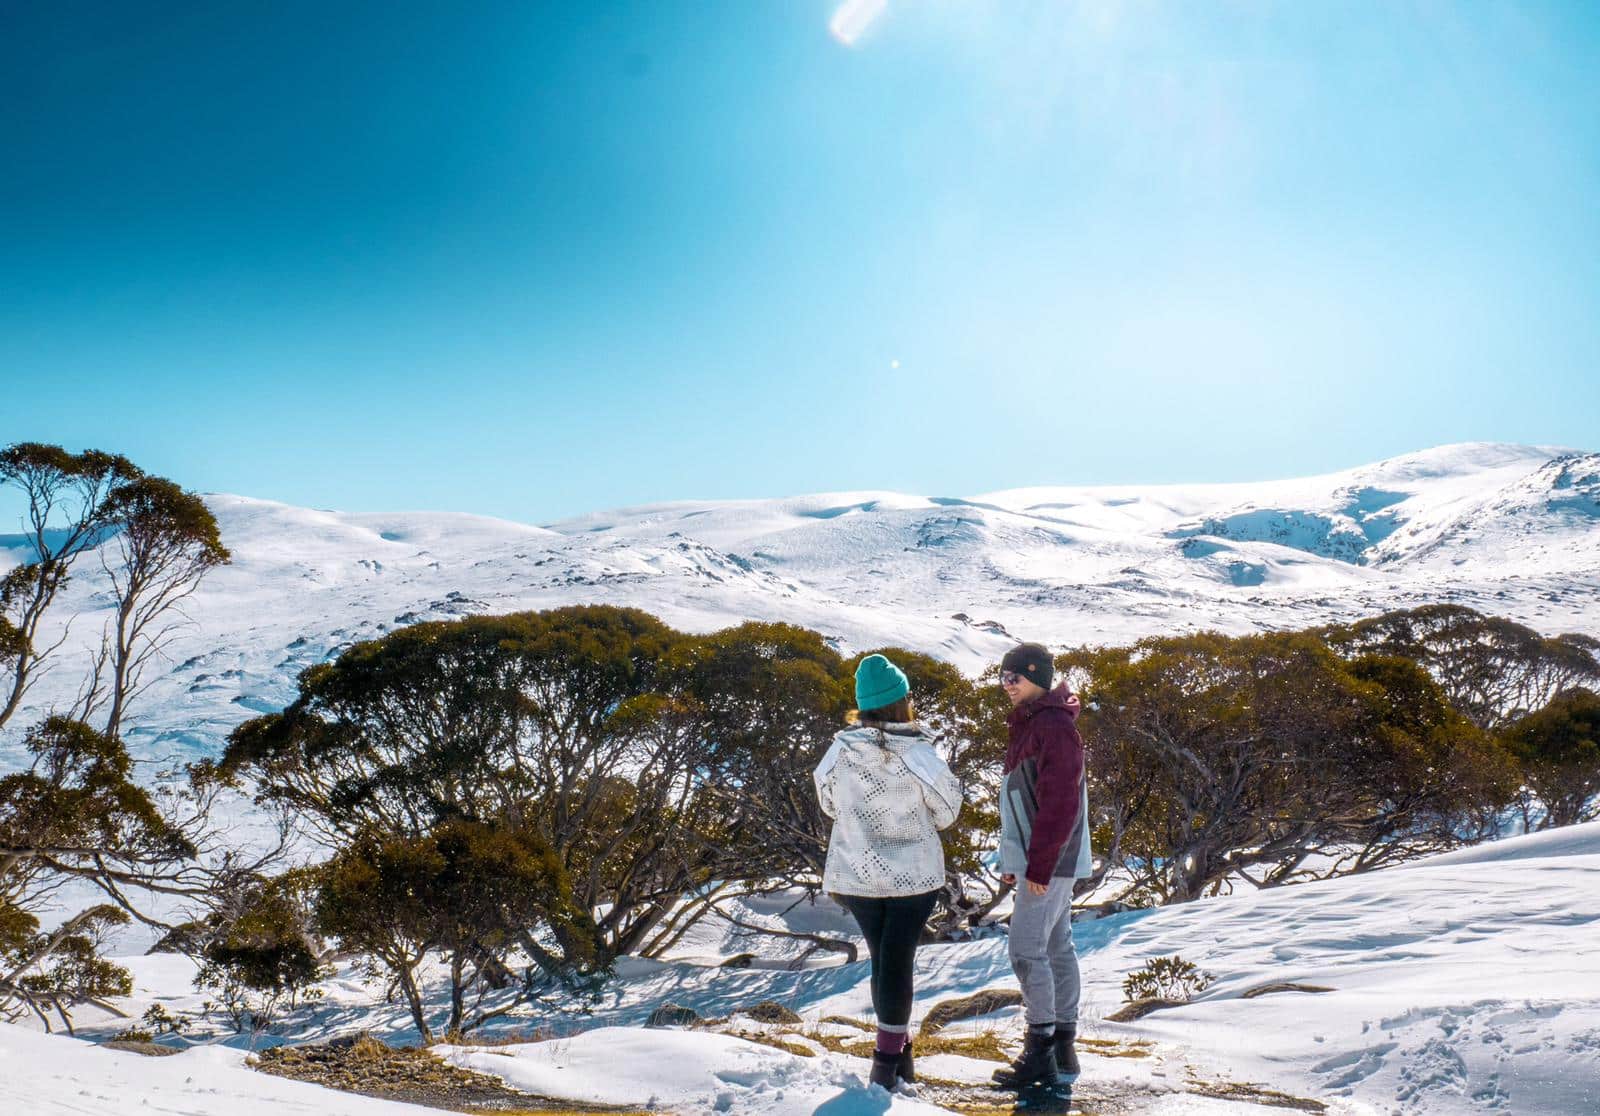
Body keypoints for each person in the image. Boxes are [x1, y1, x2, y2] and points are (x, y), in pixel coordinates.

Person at [815, 653, 964, 1092]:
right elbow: (948, 811)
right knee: (898, 961)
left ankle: (902, 1062)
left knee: (883, 959)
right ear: (902, 702)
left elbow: (828, 802)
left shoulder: (838, 750)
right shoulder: (917, 752)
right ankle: (884, 1065)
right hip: (913, 877)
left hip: (855, 875)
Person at [990, 641, 1092, 1092]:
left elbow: (1059, 803)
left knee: (1025, 950)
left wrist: (1039, 867)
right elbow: (1023, 799)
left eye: (1014, 677)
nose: (1006, 685)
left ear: (1037, 677)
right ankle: (1063, 1045)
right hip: (1045, 858)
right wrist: (1017, 860)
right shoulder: (1037, 722)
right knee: (1056, 945)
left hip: (1049, 860)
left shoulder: (1052, 725)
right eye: (1002, 678)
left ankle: (1039, 1051)